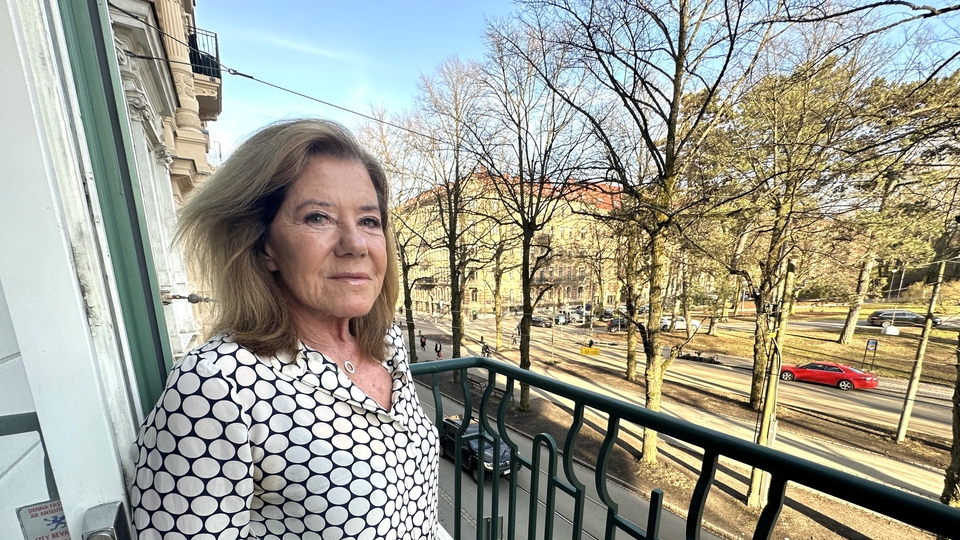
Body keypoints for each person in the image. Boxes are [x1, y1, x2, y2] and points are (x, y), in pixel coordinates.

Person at [128, 119, 439, 540]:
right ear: (264, 246)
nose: (355, 244)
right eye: (318, 217)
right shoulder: (218, 386)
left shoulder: (386, 344)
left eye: (369, 220)